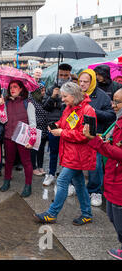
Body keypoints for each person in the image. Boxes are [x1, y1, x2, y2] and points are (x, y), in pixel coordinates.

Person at [34, 82, 96, 226]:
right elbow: (64, 122)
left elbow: (86, 135)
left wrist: (62, 132)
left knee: (62, 181)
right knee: (79, 183)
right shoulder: (70, 108)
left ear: (74, 96)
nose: (62, 99)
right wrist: (56, 126)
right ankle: (87, 214)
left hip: (78, 154)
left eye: (65, 96)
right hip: (71, 153)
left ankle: (52, 214)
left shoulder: (88, 110)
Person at [84, 88, 122, 260]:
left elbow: (119, 153)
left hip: (119, 178)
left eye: (117, 102)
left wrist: (97, 142)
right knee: (112, 215)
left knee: (118, 217)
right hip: (113, 176)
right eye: (113, 101)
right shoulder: (118, 120)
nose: (113, 105)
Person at [78, 69, 116, 207]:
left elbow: (111, 116)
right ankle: (74, 186)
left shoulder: (102, 96)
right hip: (77, 137)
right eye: (80, 81)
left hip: (95, 136)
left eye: (85, 81)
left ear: (92, 81)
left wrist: (95, 112)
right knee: (75, 163)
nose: (82, 84)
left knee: (95, 166)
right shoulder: (76, 94)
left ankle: (95, 191)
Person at [0, 80, 37, 197]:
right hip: (9, 136)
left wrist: (32, 139)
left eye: (15, 87)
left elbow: (33, 123)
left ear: (21, 89)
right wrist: (1, 106)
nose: (12, 89)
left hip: (23, 137)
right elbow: (3, 120)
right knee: (9, 161)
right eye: (10, 87)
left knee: (26, 162)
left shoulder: (28, 103)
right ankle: (7, 181)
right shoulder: (6, 102)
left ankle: (28, 185)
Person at [42, 63, 72, 187]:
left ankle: (67, 179)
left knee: (68, 153)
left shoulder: (72, 88)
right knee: (53, 151)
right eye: (61, 75)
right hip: (53, 124)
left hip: (68, 125)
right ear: (57, 74)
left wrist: (59, 102)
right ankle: (51, 173)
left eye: (66, 75)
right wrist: (53, 97)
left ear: (69, 75)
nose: (63, 77)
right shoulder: (51, 88)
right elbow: (45, 106)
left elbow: (71, 106)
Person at [30, 83, 49, 176]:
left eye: (44, 90)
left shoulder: (43, 101)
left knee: (41, 149)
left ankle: (40, 166)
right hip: (36, 130)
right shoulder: (31, 101)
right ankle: (33, 167)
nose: (43, 92)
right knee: (34, 150)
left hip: (44, 129)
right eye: (42, 90)